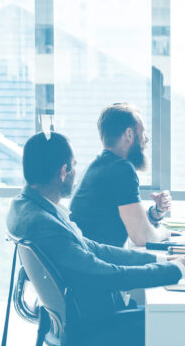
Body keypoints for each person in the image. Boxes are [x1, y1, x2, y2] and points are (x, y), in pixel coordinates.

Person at [7, 132, 185, 346]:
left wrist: (161, 261)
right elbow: (104, 274)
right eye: (73, 168)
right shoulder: (43, 222)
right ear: (63, 171)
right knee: (177, 318)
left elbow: (94, 249)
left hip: (75, 323)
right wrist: (177, 271)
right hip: (92, 332)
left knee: (160, 310)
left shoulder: (28, 207)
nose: (75, 174)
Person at [69, 103, 171, 247]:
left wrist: (156, 212)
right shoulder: (121, 169)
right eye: (143, 133)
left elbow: (127, 219)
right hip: (99, 265)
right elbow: (142, 237)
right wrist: (164, 233)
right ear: (129, 134)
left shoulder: (99, 165)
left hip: (89, 259)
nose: (146, 139)